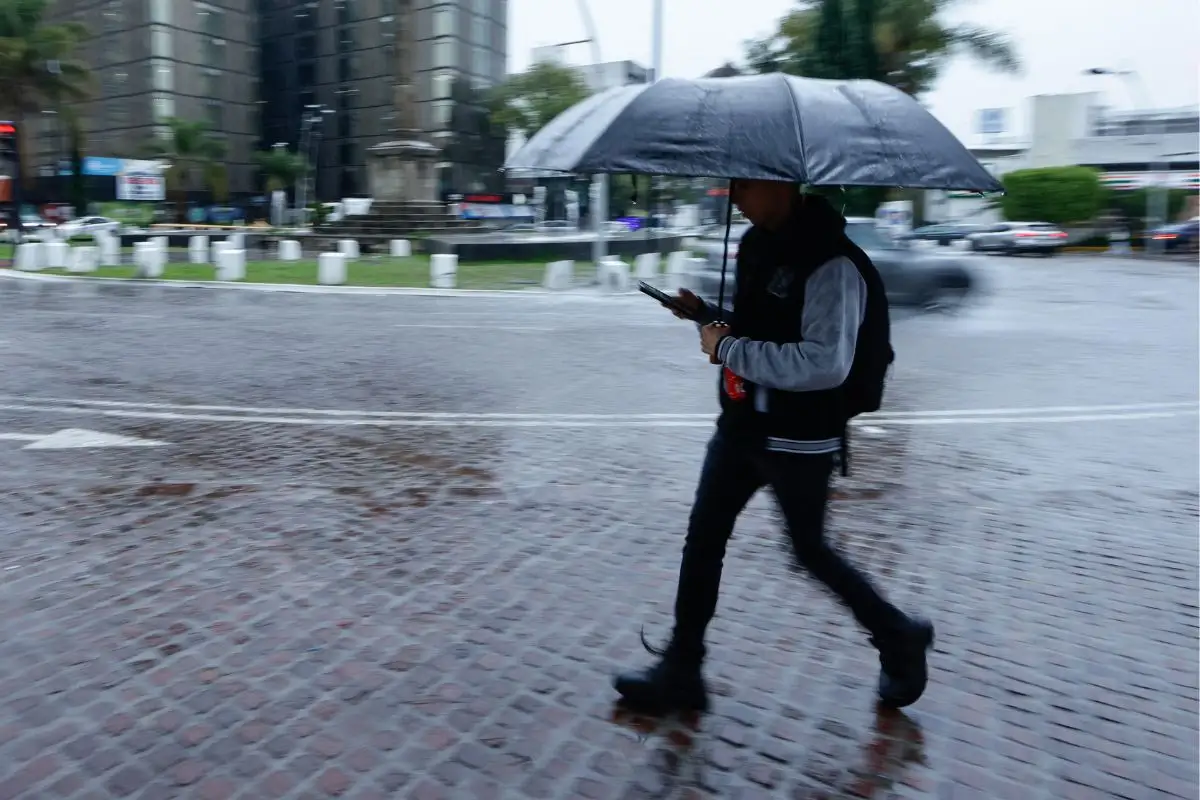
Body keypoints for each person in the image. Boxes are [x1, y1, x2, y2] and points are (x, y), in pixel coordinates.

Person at [614, 179, 933, 712]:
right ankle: (682, 670)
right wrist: (705, 313)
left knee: (808, 550)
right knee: (704, 537)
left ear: (781, 186)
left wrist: (729, 347)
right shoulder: (758, 244)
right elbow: (767, 325)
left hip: (799, 436)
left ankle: (897, 633)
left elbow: (823, 363)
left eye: (745, 185)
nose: (734, 195)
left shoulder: (835, 265)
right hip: (741, 423)